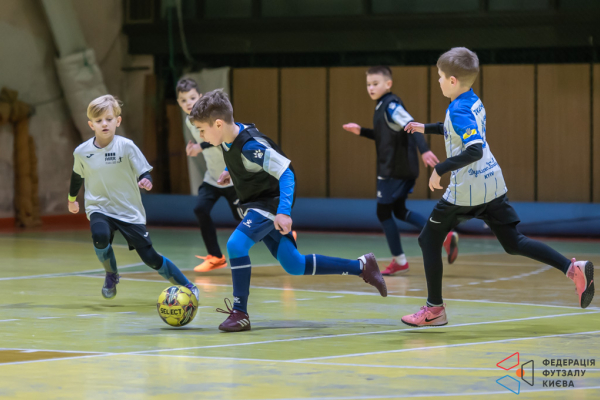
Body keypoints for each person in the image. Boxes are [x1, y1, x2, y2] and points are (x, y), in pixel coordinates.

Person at [401, 47, 594, 327]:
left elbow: (474, 149)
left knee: (428, 239)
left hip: (467, 190)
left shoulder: (457, 108)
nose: (439, 81)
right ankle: (572, 268)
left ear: (452, 80)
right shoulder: (472, 100)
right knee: (514, 242)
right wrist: (425, 127)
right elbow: (458, 129)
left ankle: (434, 309)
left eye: (440, 77)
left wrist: (440, 169)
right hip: (492, 183)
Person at [189, 89, 387, 332]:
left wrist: (283, 212)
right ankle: (362, 266)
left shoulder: (251, 147)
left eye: (202, 130)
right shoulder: (230, 135)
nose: (201, 135)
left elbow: (285, 172)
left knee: (236, 245)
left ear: (218, 124)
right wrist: (232, 171)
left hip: (269, 203)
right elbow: (245, 160)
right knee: (294, 264)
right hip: (259, 202)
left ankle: (240, 312)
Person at [68, 95, 199, 301]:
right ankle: (111, 274)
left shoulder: (126, 146)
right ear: (91, 125)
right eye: (99, 120)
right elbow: (77, 176)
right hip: (99, 207)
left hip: (128, 211)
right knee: (100, 236)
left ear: (118, 121)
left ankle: (187, 285)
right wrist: (72, 199)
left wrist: (146, 180)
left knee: (150, 258)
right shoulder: (82, 152)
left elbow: (144, 172)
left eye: (109, 119)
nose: (104, 124)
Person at [343, 66, 459, 276]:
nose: (371, 88)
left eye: (375, 83)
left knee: (383, 212)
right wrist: (361, 131)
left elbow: (411, 125)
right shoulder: (382, 106)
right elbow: (383, 136)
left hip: (394, 170)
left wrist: (424, 150)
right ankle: (443, 236)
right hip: (400, 168)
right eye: (368, 84)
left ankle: (400, 260)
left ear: (388, 84)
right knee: (398, 210)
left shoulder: (391, 105)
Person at [176, 78, 243, 272]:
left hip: (231, 177)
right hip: (213, 178)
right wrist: (194, 148)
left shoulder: (213, 116)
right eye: (183, 100)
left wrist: (200, 147)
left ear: (200, 97)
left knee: (247, 220)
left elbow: (222, 139)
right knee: (200, 209)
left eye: (192, 98)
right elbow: (203, 143)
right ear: (179, 103)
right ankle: (215, 257)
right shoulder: (189, 121)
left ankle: (281, 233)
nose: (188, 103)